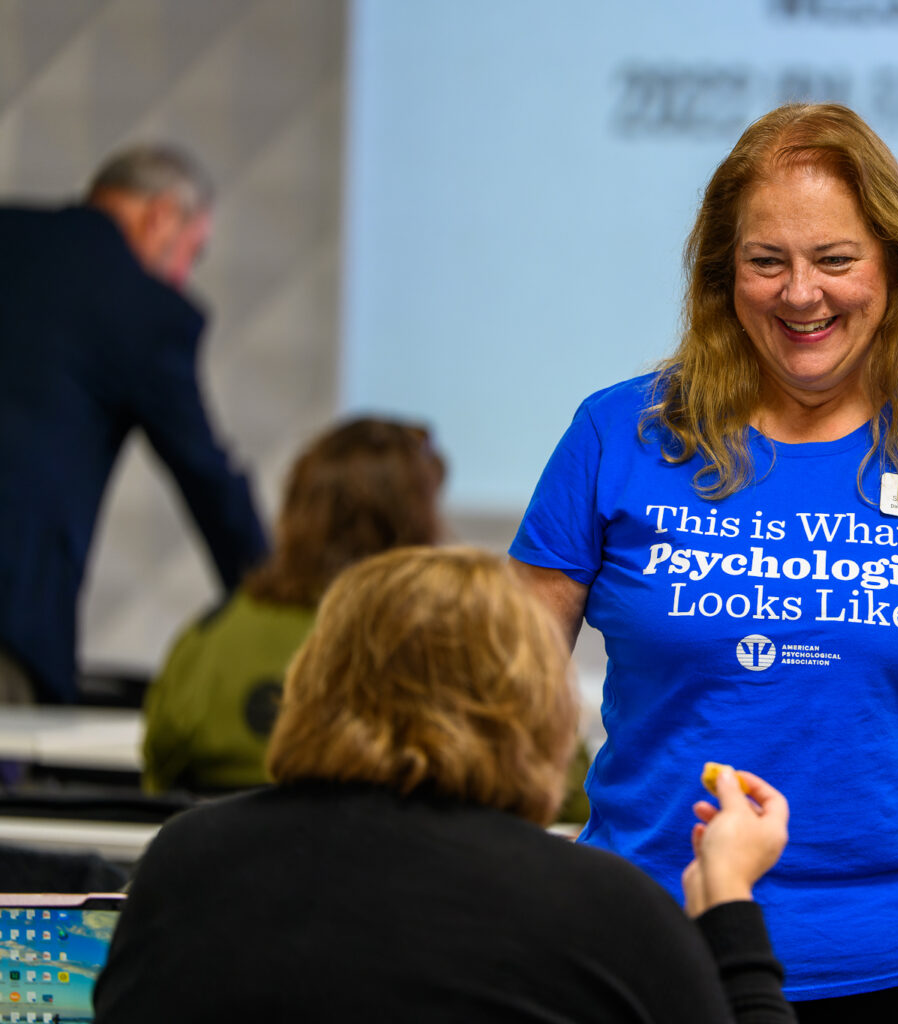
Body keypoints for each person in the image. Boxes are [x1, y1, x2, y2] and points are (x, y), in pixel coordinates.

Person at [512, 102, 898, 1020]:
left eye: (834, 260)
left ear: (895, 266)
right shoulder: (614, 437)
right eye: (766, 261)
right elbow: (499, 692)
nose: (801, 295)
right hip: (651, 956)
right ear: (721, 273)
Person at [95, 546, 795, 1024]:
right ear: (534, 702)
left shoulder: (187, 862)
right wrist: (728, 903)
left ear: (316, 677)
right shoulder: (605, 909)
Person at [0, 144, 267, 703]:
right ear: (161, 215)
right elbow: (208, 482)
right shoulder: (140, 305)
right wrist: (277, 610)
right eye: (193, 253)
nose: (181, 275)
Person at [140, 417, 446, 794]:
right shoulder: (437, 656)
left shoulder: (207, 643)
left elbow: (157, 778)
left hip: (221, 848)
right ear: (417, 524)